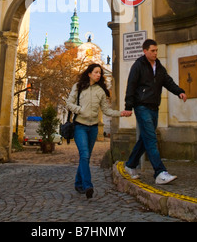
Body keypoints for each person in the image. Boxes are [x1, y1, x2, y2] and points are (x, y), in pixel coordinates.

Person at [124, 39, 187, 185]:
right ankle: (160, 172)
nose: (155, 53)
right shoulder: (138, 65)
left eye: (156, 50)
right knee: (151, 138)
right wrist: (128, 107)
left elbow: (168, 81)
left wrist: (179, 92)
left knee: (145, 139)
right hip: (141, 106)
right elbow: (131, 86)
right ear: (145, 51)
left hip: (154, 107)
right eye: (152, 51)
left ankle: (130, 165)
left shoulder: (158, 67)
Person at [66, 63, 131, 198]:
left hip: (93, 128)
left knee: (86, 157)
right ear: (89, 73)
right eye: (96, 72)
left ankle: (78, 183)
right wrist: (80, 110)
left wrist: (121, 113)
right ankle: (87, 185)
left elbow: (106, 110)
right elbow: (69, 104)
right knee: (84, 155)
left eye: (100, 73)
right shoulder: (78, 87)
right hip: (80, 126)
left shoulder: (100, 91)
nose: (98, 75)